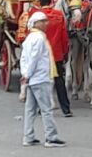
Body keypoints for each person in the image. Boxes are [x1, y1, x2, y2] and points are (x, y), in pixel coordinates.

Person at [20, 11, 67, 148]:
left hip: (32, 78)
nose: (46, 23)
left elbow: (24, 58)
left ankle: (28, 137)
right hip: (40, 78)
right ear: (36, 24)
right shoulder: (40, 38)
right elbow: (34, 58)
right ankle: (51, 137)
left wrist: (25, 74)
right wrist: (27, 74)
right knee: (46, 109)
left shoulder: (29, 38)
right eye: (43, 21)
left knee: (30, 110)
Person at [32, 0, 72, 117]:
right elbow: (64, 37)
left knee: (41, 81)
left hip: (41, 55)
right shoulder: (59, 15)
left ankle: (40, 108)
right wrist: (65, 52)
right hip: (56, 53)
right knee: (59, 80)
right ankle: (66, 109)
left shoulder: (36, 17)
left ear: (39, 2)